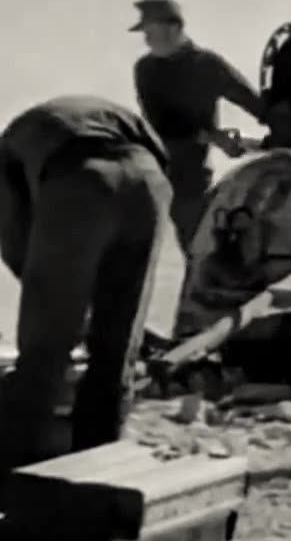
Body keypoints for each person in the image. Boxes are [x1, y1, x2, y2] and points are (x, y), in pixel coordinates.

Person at [0, 96, 172, 472]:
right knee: (117, 352)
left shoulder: (7, 152)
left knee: (45, 354)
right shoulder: (53, 119)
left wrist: (62, 302)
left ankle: (13, 474)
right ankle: (98, 473)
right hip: (150, 181)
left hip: (82, 179)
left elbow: (17, 246)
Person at [130, 0, 268, 255]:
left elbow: (253, 103)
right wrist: (211, 137)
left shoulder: (207, 65)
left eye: (150, 31)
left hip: (192, 177)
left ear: (174, 28)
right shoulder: (145, 69)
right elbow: (160, 125)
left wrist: (281, 125)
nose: (146, 39)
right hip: (160, 171)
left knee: (202, 246)